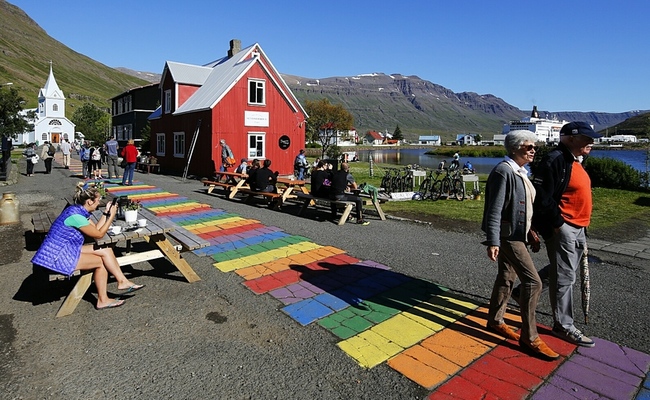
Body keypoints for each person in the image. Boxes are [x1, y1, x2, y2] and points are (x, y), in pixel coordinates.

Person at [481, 130, 559, 360]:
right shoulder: (503, 171)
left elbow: (523, 208)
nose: (533, 150)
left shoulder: (520, 171)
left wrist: (530, 230)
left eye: (534, 146)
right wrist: (493, 241)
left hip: (517, 234)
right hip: (507, 237)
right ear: (515, 148)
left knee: (507, 277)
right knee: (533, 282)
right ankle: (530, 336)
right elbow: (494, 209)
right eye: (528, 147)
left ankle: (495, 320)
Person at [531, 121, 601, 348]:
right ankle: (563, 325)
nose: (591, 142)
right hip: (564, 227)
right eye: (586, 138)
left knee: (563, 269)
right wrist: (557, 223)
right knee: (565, 277)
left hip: (578, 226)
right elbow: (542, 195)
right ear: (570, 138)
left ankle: (523, 290)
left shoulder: (575, 159)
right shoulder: (555, 159)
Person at [31, 182, 144, 310]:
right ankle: (103, 300)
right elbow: (99, 234)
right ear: (89, 202)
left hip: (66, 249)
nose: (98, 203)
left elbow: (95, 229)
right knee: (100, 262)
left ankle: (122, 281)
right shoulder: (76, 217)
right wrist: (112, 216)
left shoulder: (77, 211)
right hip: (56, 256)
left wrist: (106, 213)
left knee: (105, 250)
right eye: (97, 201)